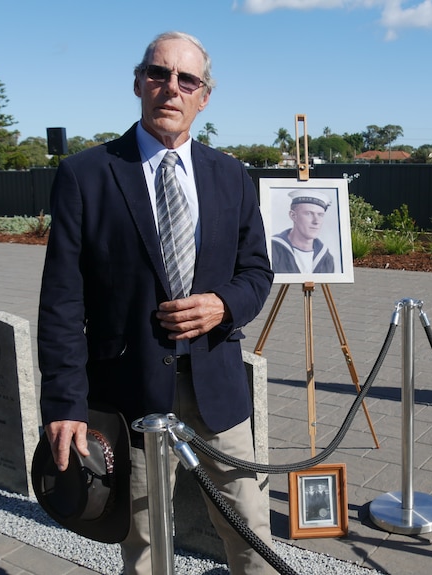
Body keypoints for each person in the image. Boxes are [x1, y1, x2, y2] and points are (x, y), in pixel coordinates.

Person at [37, 31, 275, 575]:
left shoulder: (232, 176)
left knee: (251, 536)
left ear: (204, 95)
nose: (171, 88)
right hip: (129, 393)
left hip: (218, 390)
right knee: (144, 547)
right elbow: (61, 301)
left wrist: (223, 305)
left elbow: (258, 270)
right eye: (158, 74)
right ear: (138, 82)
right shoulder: (85, 175)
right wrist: (64, 404)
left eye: (186, 79)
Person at [270, 189, 335, 274]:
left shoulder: (326, 258)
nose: (316, 221)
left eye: (320, 215)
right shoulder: (274, 249)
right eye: (309, 213)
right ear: (293, 215)